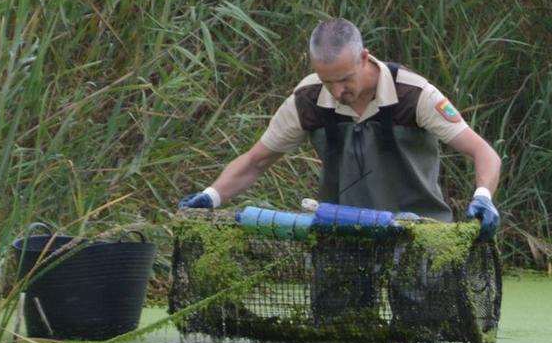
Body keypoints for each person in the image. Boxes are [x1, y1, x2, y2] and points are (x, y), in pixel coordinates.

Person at [179, 17, 501, 239]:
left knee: (423, 319)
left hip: (419, 233)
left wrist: (483, 197)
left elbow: (483, 153)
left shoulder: (414, 95)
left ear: (364, 58)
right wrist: (211, 196)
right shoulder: (307, 100)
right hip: (341, 232)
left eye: (345, 79)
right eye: (327, 81)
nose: (336, 91)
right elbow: (255, 161)